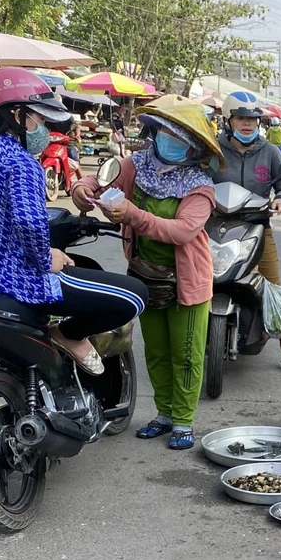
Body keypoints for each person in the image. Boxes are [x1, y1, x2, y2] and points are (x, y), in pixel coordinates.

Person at [0, 67, 147, 376]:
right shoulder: (20, 162)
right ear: (17, 115)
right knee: (135, 295)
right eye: (41, 120)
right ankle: (68, 334)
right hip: (15, 279)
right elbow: (29, 224)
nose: (43, 129)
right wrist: (47, 259)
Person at [73, 101, 219, 450]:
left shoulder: (200, 187)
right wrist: (82, 187)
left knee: (186, 355)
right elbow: (102, 179)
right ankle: (164, 414)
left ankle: (183, 420)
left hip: (186, 284)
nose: (169, 140)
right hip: (144, 276)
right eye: (165, 131)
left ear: (193, 147)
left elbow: (182, 231)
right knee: (154, 350)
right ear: (154, 131)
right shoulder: (136, 165)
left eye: (179, 137)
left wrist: (132, 214)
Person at [214, 91, 281, 377]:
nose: (248, 124)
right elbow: (198, 179)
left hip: (257, 226)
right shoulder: (213, 150)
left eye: (253, 119)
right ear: (228, 120)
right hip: (215, 226)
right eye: (241, 118)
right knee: (194, 279)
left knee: (274, 287)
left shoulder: (270, 151)